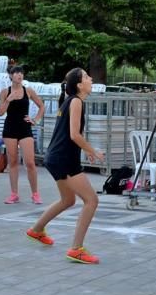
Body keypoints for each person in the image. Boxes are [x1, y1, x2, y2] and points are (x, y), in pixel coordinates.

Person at [26, 68, 105, 264]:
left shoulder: (71, 100)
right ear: (79, 84)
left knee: (68, 200)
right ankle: (76, 249)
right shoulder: (76, 101)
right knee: (91, 201)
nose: (91, 79)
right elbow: (74, 135)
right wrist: (92, 150)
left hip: (56, 157)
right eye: (87, 77)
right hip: (63, 159)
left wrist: (85, 150)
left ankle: (36, 230)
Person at [0, 66, 45, 204]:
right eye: (16, 73)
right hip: (10, 128)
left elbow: (41, 106)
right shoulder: (5, 92)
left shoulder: (28, 90)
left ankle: (35, 194)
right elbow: (0, 112)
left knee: (30, 162)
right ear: (11, 76)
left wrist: (35, 120)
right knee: (12, 162)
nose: (19, 75)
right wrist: (8, 100)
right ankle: (14, 194)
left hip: (25, 128)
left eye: (21, 73)